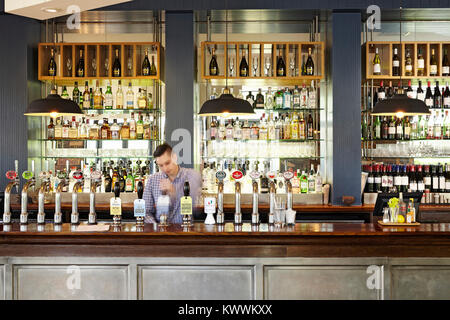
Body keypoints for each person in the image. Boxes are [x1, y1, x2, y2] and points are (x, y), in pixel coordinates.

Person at [143, 143, 202, 224]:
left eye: (167, 163)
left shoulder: (191, 176)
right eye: (161, 165)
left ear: (174, 157)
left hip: (185, 230)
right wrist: (155, 227)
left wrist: (174, 193)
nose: (165, 168)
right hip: (160, 232)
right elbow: (146, 212)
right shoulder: (152, 180)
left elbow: (194, 208)